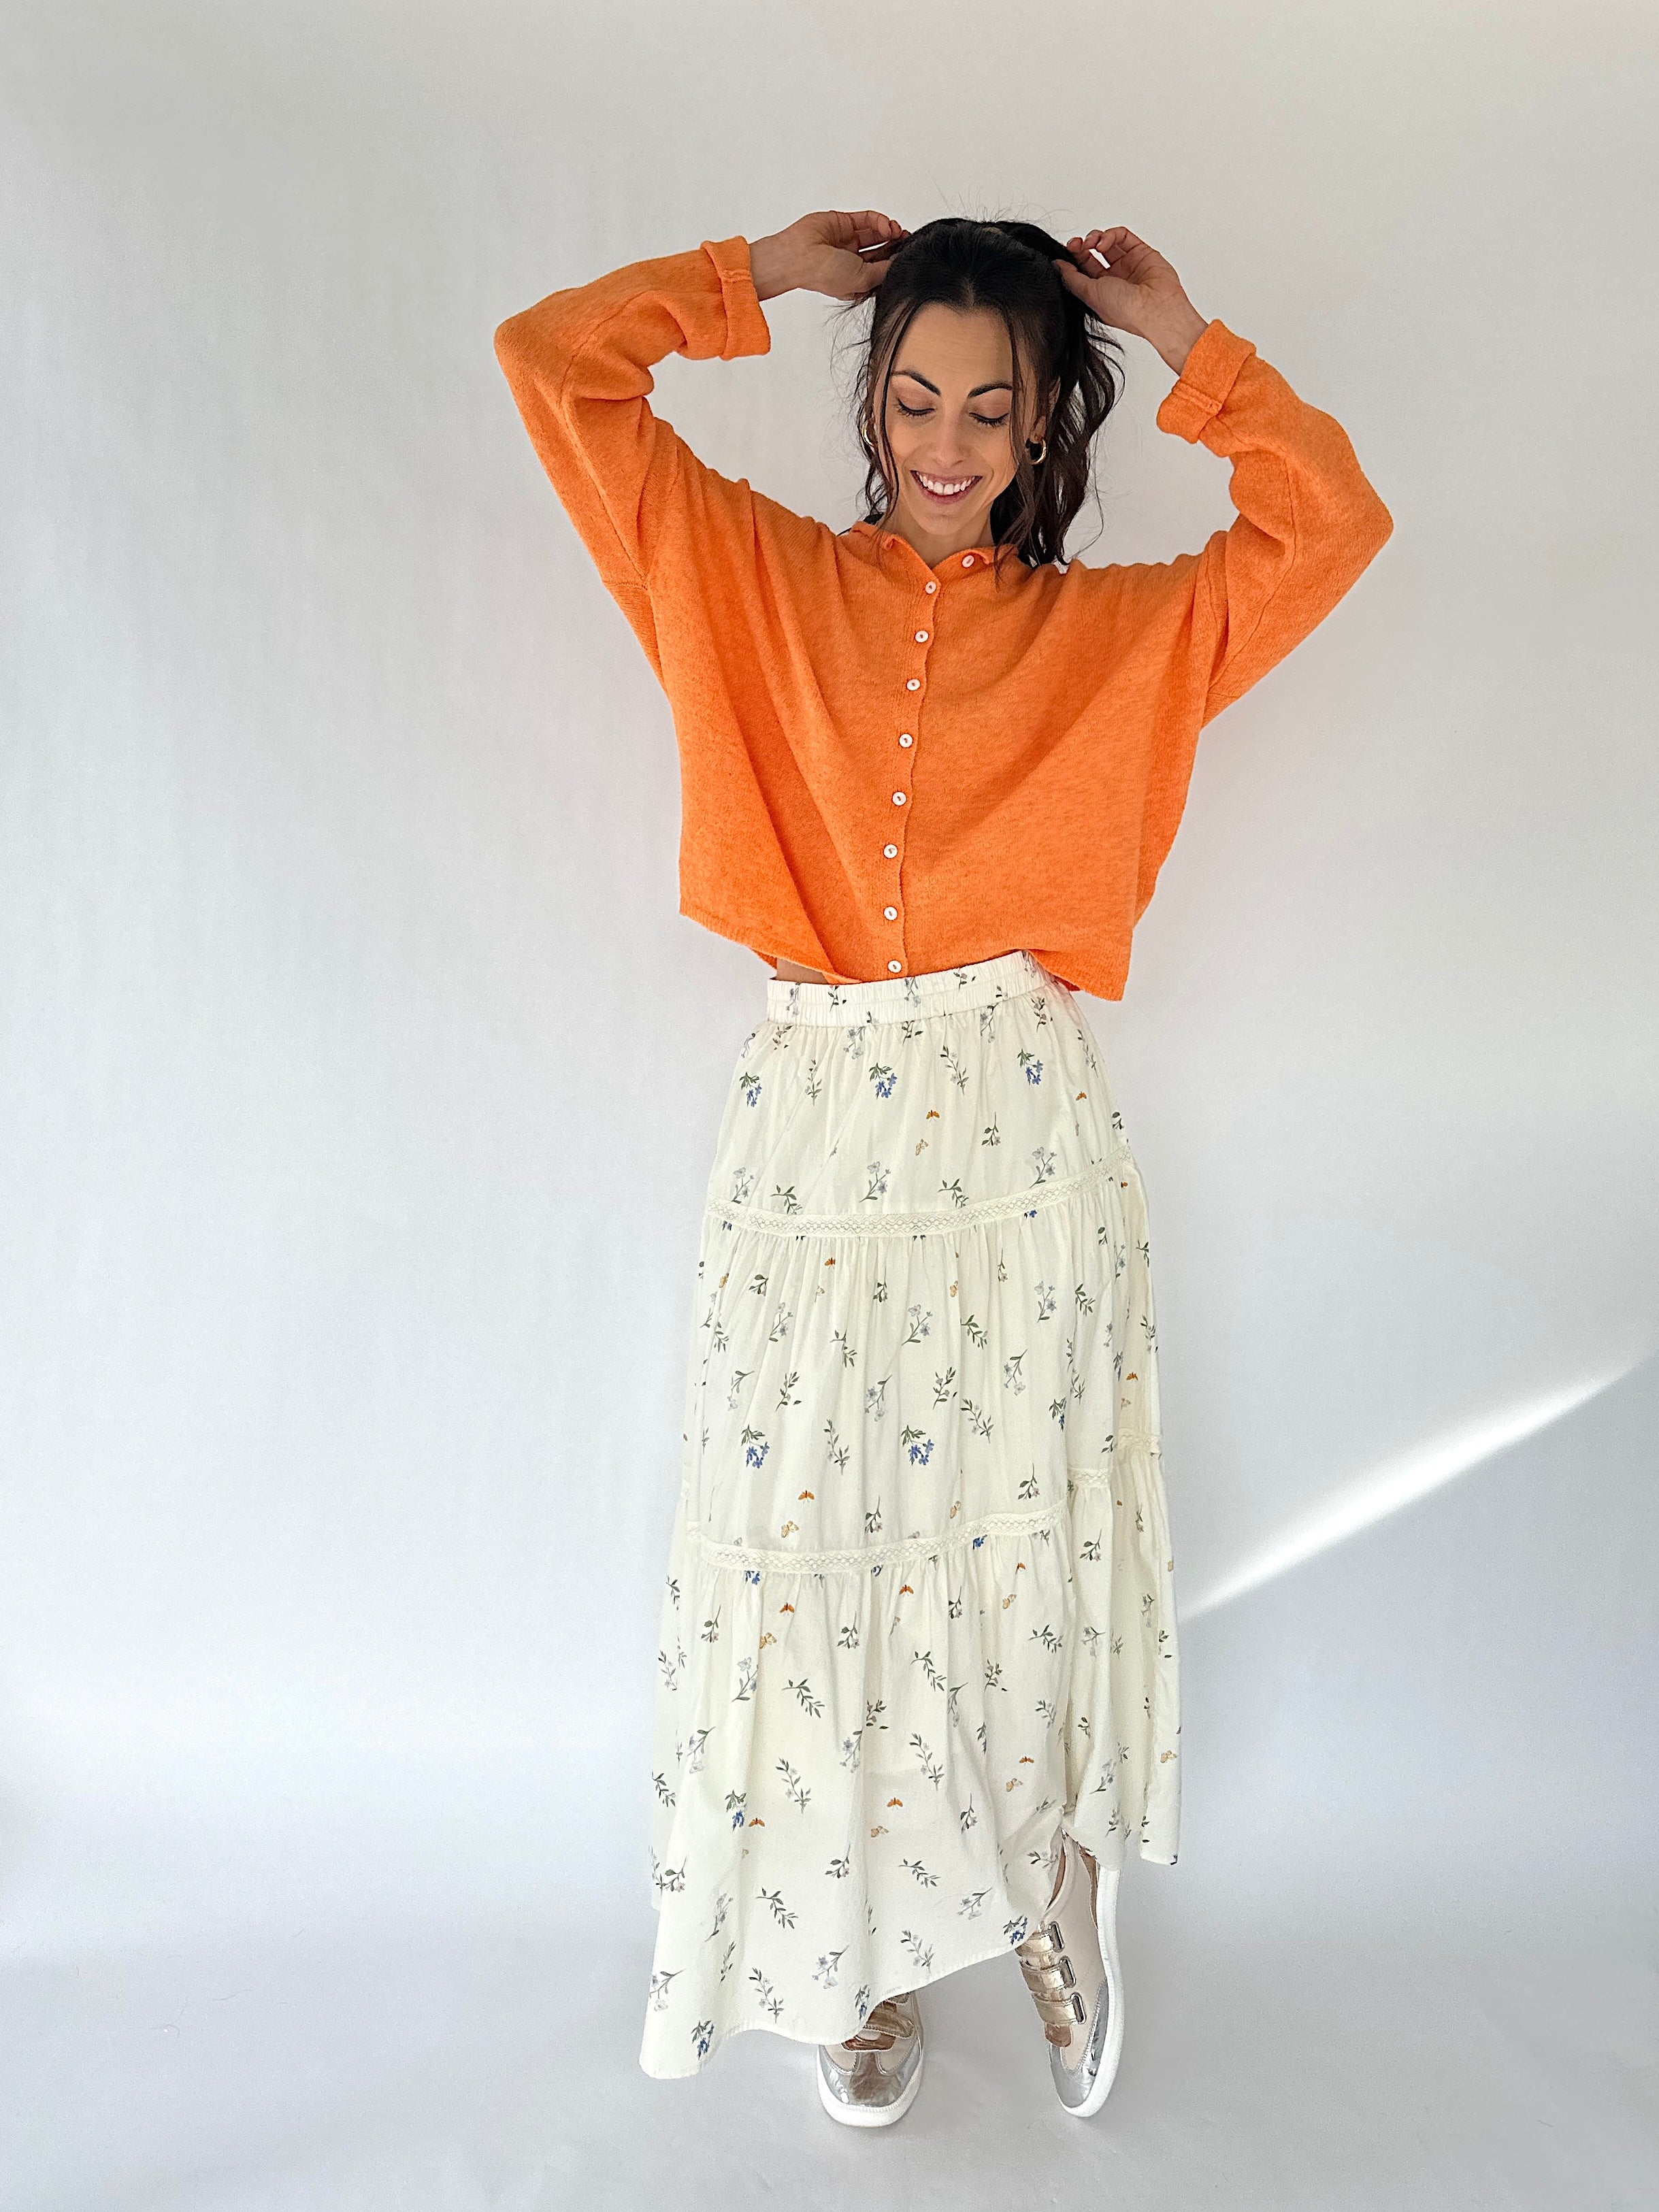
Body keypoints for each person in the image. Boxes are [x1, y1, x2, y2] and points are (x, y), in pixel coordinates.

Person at [493, 206, 1393, 2126]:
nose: (949, 442)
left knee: (1011, 1542)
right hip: (814, 1120)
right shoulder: (741, 573)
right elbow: (552, 365)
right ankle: (849, 1943)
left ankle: (1046, 1876)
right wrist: (760, 275)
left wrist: (1184, 335)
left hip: (1019, 1127)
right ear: (872, 403)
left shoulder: (1117, 634)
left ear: (1046, 419)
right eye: (913, 398)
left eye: (993, 406)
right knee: (811, 1549)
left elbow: (1330, 521)